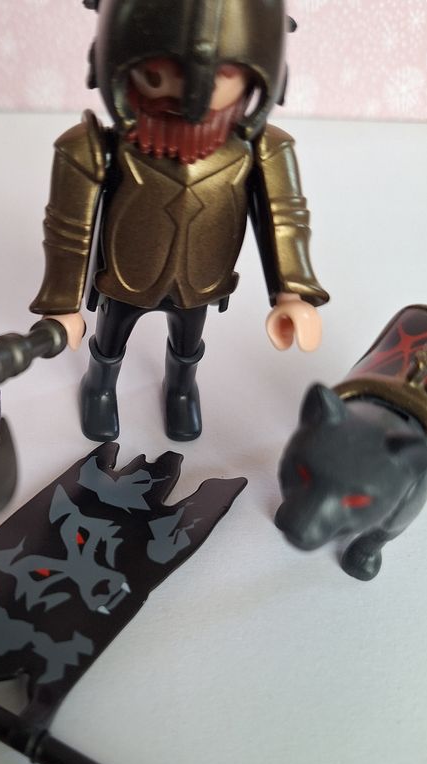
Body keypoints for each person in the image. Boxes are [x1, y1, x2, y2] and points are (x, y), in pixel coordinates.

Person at [29, 0, 329, 442]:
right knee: (110, 342)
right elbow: (70, 228)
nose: (190, 98)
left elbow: (282, 216)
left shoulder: (260, 151)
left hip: (202, 279)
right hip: (124, 276)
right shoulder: (95, 149)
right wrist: (62, 305)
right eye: (157, 74)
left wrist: (292, 293)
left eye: (223, 76)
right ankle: (100, 387)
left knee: (188, 348)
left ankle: (182, 390)